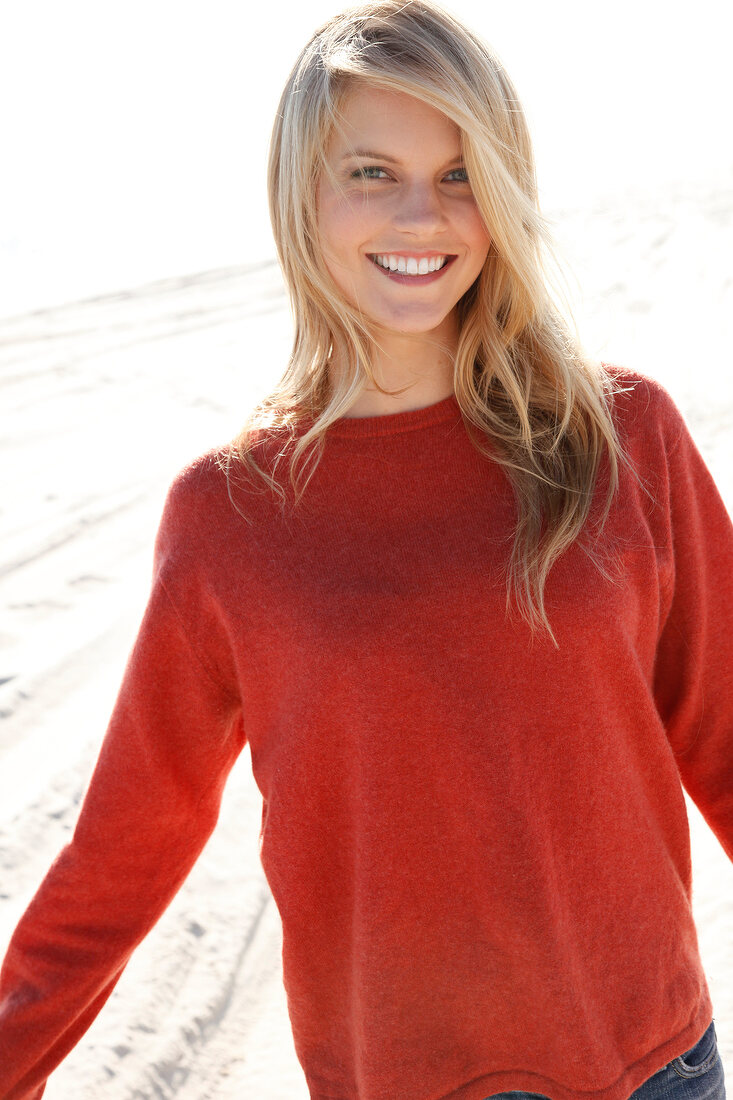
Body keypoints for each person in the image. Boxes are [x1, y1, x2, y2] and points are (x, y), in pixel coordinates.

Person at [0, 1, 731, 1098]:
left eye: (459, 174)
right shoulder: (230, 513)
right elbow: (127, 841)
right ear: (303, 195)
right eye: (373, 172)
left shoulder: (623, 435)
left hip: (656, 1067)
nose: (421, 215)